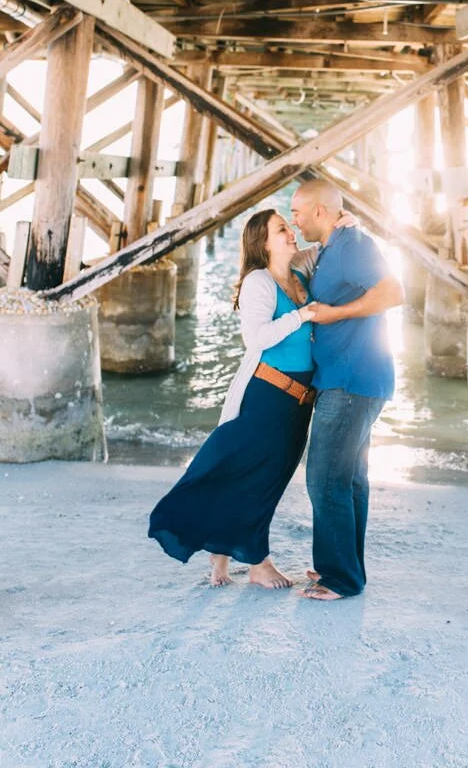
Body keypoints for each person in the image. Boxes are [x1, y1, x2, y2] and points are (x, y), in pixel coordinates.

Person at [148, 208, 322, 589]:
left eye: (290, 227)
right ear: (262, 242)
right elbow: (256, 338)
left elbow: (325, 247)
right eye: (282, 229)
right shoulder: (258, 282)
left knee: (260, 477)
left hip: (297, 402)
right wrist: (303, 315)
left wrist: (344, 226)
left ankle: (221, 553)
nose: (291, 232)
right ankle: (257, 563)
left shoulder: (296, 273)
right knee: (253, 477)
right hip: (268, 397)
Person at [290, 178, 404, 601]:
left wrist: (336, 314)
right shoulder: (335, 245)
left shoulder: (353, 244)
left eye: (297, 212)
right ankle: (344, 568)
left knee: (324, 478)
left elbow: (394, 291)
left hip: (353, 380)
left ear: (320, 212)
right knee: (350, 478)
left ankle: (339, 578)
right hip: (350, 378)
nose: (293, 219)